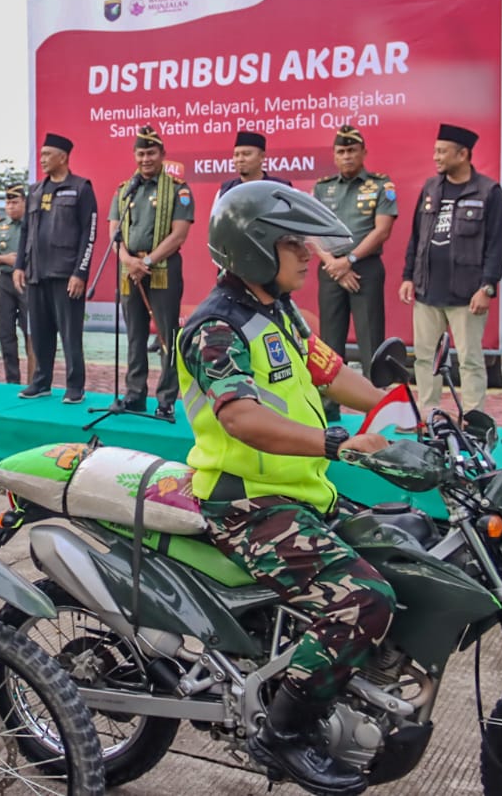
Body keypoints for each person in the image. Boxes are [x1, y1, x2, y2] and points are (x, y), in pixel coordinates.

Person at [176, 180, 394, 794]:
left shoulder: (280, 311)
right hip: (246, 502)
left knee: (408, 541)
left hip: (302, 493)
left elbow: (330, 371)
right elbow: (241, 417)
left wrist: (404, 415)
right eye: (294, 242)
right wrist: (339, 443)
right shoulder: (215, 327)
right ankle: (284, 733)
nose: (309, 254)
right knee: (364, 600)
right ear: (255, 249)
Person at [398, 123, 502, 417]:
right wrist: (408, 276)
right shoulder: (430, 188)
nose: (436, 157)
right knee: (424, 358)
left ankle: (473, 419)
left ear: (463, 154)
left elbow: (497, 245)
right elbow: (416, 236)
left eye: (442, 152)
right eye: (435, 151)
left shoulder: (489, 192)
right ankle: (429, 415)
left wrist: (487, 287)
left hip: (467, 293)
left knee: (470, 360)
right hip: (426, 290)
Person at [311, 125, 398, 421]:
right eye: (341, 151)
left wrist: (348, 260)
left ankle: (377, 410)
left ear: (363, 153)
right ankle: (327, 411)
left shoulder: (380, 185)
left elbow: (383, 229)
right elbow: (311, 232)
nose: (346, 156)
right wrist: (333, 264)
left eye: (352, 150)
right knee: (329, 344)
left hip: (365, 270)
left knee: (370, 342)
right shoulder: (323, 187)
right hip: (330, 270)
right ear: (334, 156)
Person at [109, 125, 194, 418]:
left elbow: (179, 235)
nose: (145, 159)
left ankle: (166, 399)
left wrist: (146, 263)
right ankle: (134, 395)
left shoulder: (178, 189)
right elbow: (114, 232)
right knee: (135, 335)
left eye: (151, 153)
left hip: (162, 268)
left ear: (162, 154)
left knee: (167, 336)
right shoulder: (125, 189)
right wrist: (128, 261)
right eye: (141, 153)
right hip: (129, 270)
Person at [14, 132, 97, 403]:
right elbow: (25, 230)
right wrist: (19, 266)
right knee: (39, 332)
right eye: (41, 155)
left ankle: (75, 387)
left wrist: (80, 273)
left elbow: (89, 233)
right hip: (36, 273)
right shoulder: (36, 190)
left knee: (70, 334)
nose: (43, 159)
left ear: (63, 157)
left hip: (66, 274)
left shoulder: (81, 187)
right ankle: (41, 382)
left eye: (47, 154)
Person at [0, 185, 29, 385]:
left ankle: (34, 379)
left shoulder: (33, 225)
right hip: (5, 282)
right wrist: (5, 260)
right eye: (7, 203)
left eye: (15, 202)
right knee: (6, 332)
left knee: (31, 331)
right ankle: (12, 379)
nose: (10, 207)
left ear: (25, 203)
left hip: (28, 282)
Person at [217, 130, 292, 201]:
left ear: (262, 157)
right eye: (236, 155)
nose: (240, 159)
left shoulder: (280, 188)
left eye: (246, 154)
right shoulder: (226, 190)